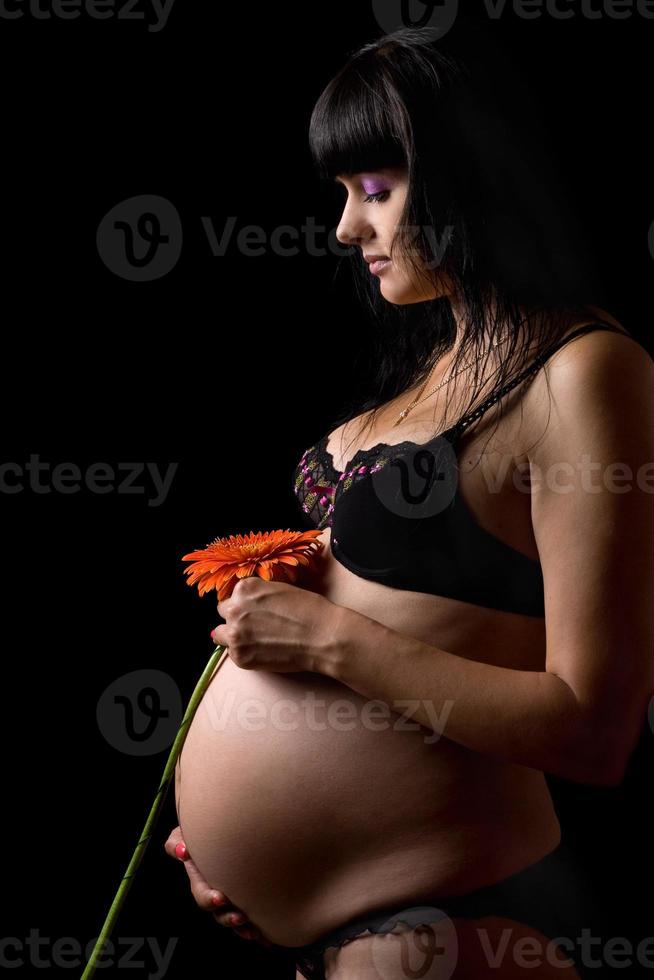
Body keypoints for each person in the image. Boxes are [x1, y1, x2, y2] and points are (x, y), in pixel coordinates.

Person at [165, 21, 654, 980]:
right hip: (354, 941)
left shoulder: (585, 372)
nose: (349, 228)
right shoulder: (425, 384)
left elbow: (595, 727)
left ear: (469, 177)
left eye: (377, 191)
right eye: (346, 195)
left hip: (460, 923)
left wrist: (324, 642)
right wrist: (246, 860)